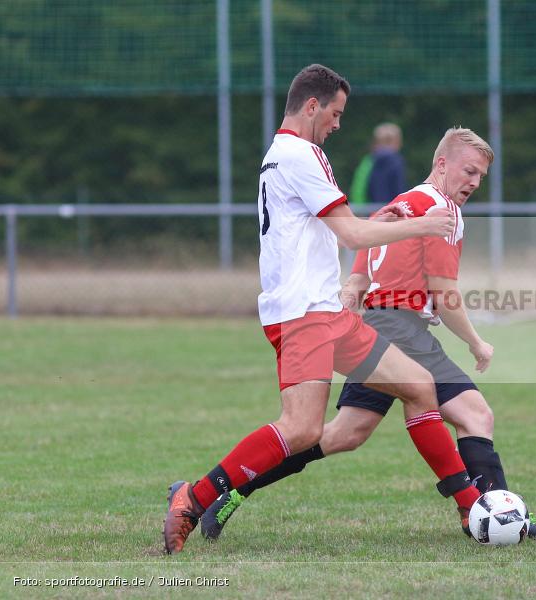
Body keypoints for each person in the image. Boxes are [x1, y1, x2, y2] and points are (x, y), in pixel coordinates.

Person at [163, 65, 483, 554]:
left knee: (419, 387)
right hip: (303, 315)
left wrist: (382, 219)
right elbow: (351, 235)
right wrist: (421, 225)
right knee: (302, 429)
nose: (338, 124)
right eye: (335, 113)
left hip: (328, 313)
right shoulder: (302, 154)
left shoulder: (282, 154)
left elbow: (331, 226)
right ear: (312, 106)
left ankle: (469, 507)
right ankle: (196, 495)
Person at [197, 127, 536, 541]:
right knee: (475, 414)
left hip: (376, 324)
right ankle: (495, 517)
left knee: (344, 434)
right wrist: (476, 342)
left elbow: (366, 247)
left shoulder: (405, 199)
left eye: (480, 176)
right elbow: (444, 294)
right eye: (468, 171)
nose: (474, 182)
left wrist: (356, 286)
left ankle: (230, 493)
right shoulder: (441, 212)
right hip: (400, 328)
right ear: (441, 164)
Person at [349, 122, 406, 206]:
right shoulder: (396, 161)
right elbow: (398, 189)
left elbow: (358, 188)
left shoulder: (368, 160)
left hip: (368, 210)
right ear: (396, 141)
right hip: (390, 210)